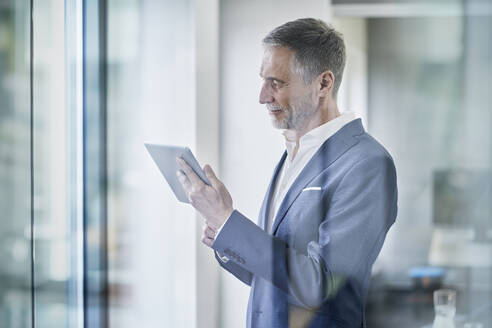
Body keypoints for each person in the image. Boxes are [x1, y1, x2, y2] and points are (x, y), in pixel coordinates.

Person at [176, 18, 397, 328]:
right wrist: (224, 231)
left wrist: (229, 221)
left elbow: (322, 287)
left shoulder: (367, 163)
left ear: (323, 83)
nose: (263, 96)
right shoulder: (294, 155)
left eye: (276, 82)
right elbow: (272, 278)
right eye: (263, 81)